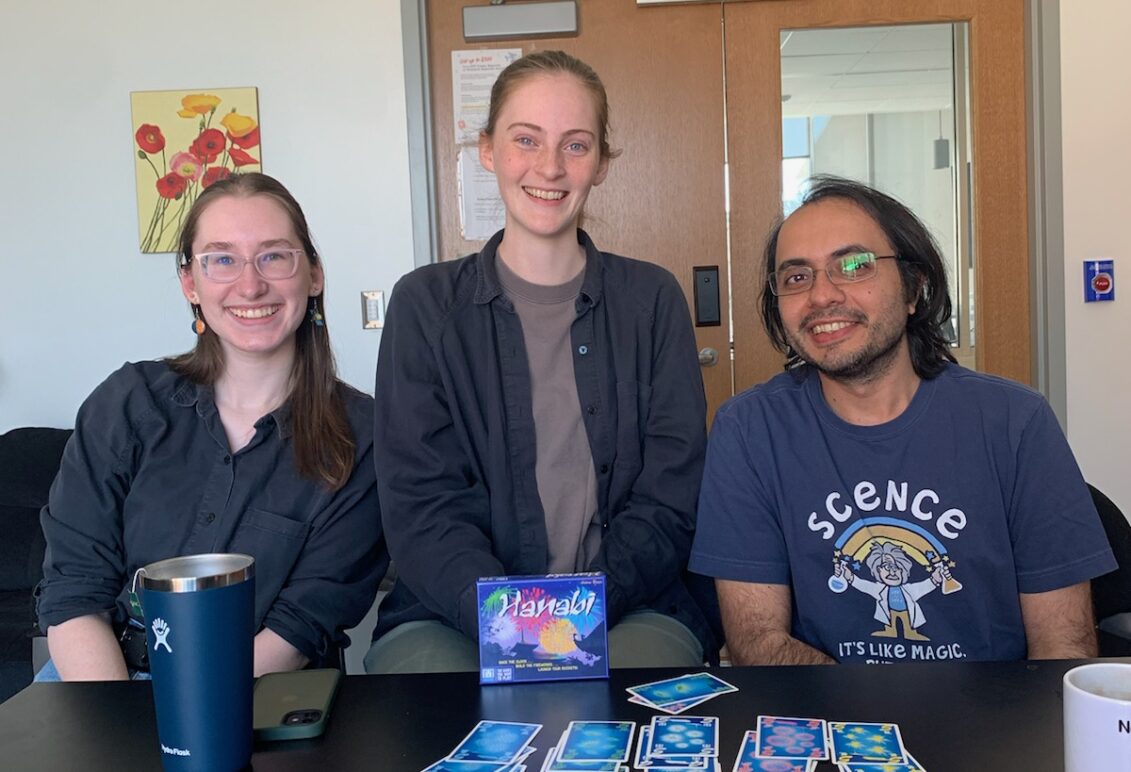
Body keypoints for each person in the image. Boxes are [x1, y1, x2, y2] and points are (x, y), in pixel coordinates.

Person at [367, 50, 719, 674]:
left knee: (620, 714)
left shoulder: (653, 299)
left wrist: (577, 615)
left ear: (603, 163)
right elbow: (420, 504)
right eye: (525, 139)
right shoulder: (423, 305)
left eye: (576, 145)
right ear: (487, 150)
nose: (549, 168)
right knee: (440, 714)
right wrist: (516, 625)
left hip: (627, 608)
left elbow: (672, 493)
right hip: (454, 617)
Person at [689, 176, 1116, 665]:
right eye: (796, 277)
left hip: (990, 723)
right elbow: (757, 643)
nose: (822, 295)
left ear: (915, 287)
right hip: (831, 725)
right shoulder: (749, 431)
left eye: (853, 266)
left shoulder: (1015, 423)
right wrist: (873, 730)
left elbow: (1062, 651)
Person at [36, 173, 387, 680]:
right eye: (221, 259)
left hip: (255, 687)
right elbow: (73, 590)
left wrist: (189, 717)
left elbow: (300, 627)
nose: (249, 284)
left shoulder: (364, 436)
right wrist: (118, 727)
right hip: (97, 678)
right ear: (190, 284)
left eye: (274, 255)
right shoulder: (128, 404)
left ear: (313, 274)